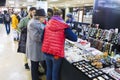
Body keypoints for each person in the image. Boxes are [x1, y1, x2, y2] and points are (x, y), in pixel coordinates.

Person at [42, 8, 77, 80]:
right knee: (55, 72)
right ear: (61, 15)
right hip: (56, 54)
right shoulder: (64, 26)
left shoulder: (47, 24)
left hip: (46, 51)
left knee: (49, 70)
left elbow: (42, 38)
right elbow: (74, 38)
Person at [26, 9, 46, 80]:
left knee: (36, 64)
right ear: (39, 17)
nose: (44, 18)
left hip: (36, 48)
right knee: (34, 65)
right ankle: (35, 78)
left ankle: (36, 76)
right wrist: (45, 36)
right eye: (44, 17)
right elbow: (36, 37)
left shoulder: (37, 22)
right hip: (34, 48)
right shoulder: (33, 23)